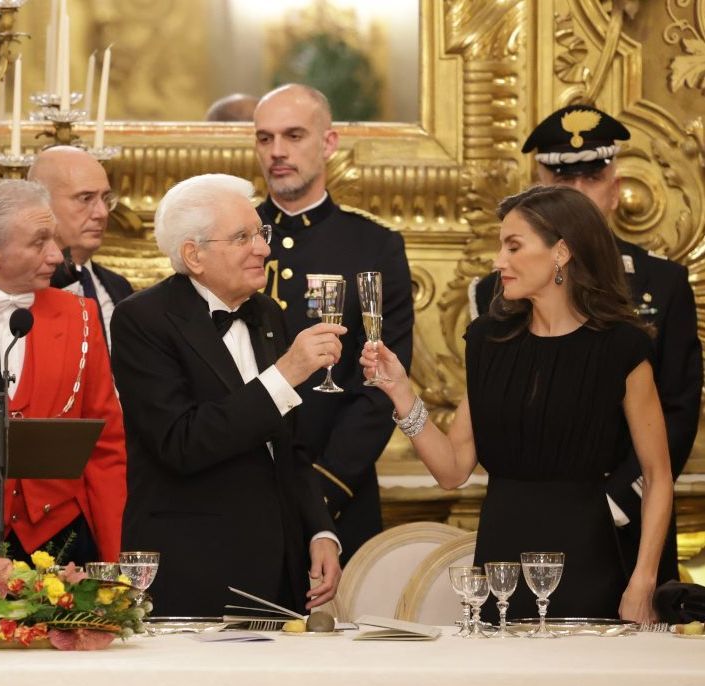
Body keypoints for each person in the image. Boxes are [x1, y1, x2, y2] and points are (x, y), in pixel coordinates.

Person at [362, 185, 671, 622]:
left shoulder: (622, 347)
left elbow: (658, 477)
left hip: (586, 563)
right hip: (499, 569)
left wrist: (643, 580)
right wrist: (401, 393)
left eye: (513, 246)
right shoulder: (489, 341)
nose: (497, 261)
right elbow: (452, 469)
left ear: (561, 251)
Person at [469, 105, 701, 584]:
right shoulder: (499, 292)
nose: (574, 192)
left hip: (631, 520)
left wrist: (613, 497)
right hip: (533, 518)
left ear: (615, 190)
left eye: (591, 177)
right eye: (558, 177)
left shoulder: (661, 281)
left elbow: (677, 408)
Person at [110, 173, 343, 617]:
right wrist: (284, 375)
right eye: (243, 238)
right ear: (193, 255)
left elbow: (288, 443)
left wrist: (319, 530)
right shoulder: (142, 320)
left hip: (282, 568)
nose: (263, 249)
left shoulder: (269, 314)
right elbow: (181, 443)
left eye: (261, 233)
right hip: (195, 566)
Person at [253, 83, 414, 561]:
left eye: (294, 135)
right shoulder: (232, 238)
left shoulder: (373, 245)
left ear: (328, 143)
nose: (277, 152)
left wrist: (325, 489)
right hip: (241, 488)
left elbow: (382, 378)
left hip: (339, 491)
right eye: (265, 138)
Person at [0, 179, 127, 564]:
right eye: (39, 242)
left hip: (63, 538)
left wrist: (114, 555)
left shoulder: (80, 316)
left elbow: (106, 446)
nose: (57, 256)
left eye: (54, 239)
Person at [28, 146, 133, 351]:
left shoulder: (119, 287)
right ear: (42, 203)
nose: (102, 213)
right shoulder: (22, 288)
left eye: (105, 199)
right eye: (86, 198)